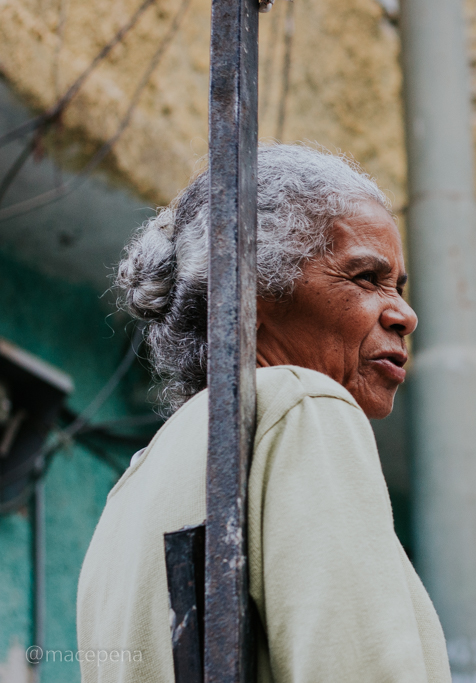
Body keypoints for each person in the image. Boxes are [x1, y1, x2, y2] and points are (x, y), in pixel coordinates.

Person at [76, 144, 450, 683]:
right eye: (367, 278)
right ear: (250, 290)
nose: (405, 315)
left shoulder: (126, 497)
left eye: (399, 287)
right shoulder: (305, 407)